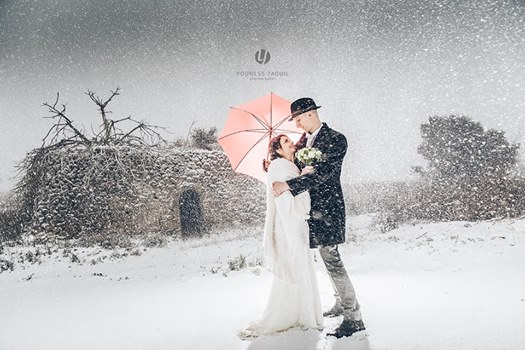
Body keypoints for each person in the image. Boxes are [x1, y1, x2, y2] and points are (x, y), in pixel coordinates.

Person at [272, 97, 365, 338]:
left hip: (329, 210)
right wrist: (273, 164)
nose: (298, 125)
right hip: (310, 212)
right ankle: (339, 303)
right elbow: (294, 166)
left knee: (331, 258)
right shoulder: (303, 143)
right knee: (326, 257)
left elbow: (322, 174)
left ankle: (354, 317)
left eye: (299, 118)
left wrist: (288, 186)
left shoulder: (336, 139)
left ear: (311, 113)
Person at [239, 134, 323, 339]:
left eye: (289, 140)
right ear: (277, 150)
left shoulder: (289, 165)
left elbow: (295, 188)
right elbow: (284, 199)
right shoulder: (278, 167)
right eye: (286, 142)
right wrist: (303, 179)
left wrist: (303, 175)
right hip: (288, 224)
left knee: (301, 263)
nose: (291, 143)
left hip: (297, 223)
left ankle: (304, 312)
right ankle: (294, 313)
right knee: (293, 263)